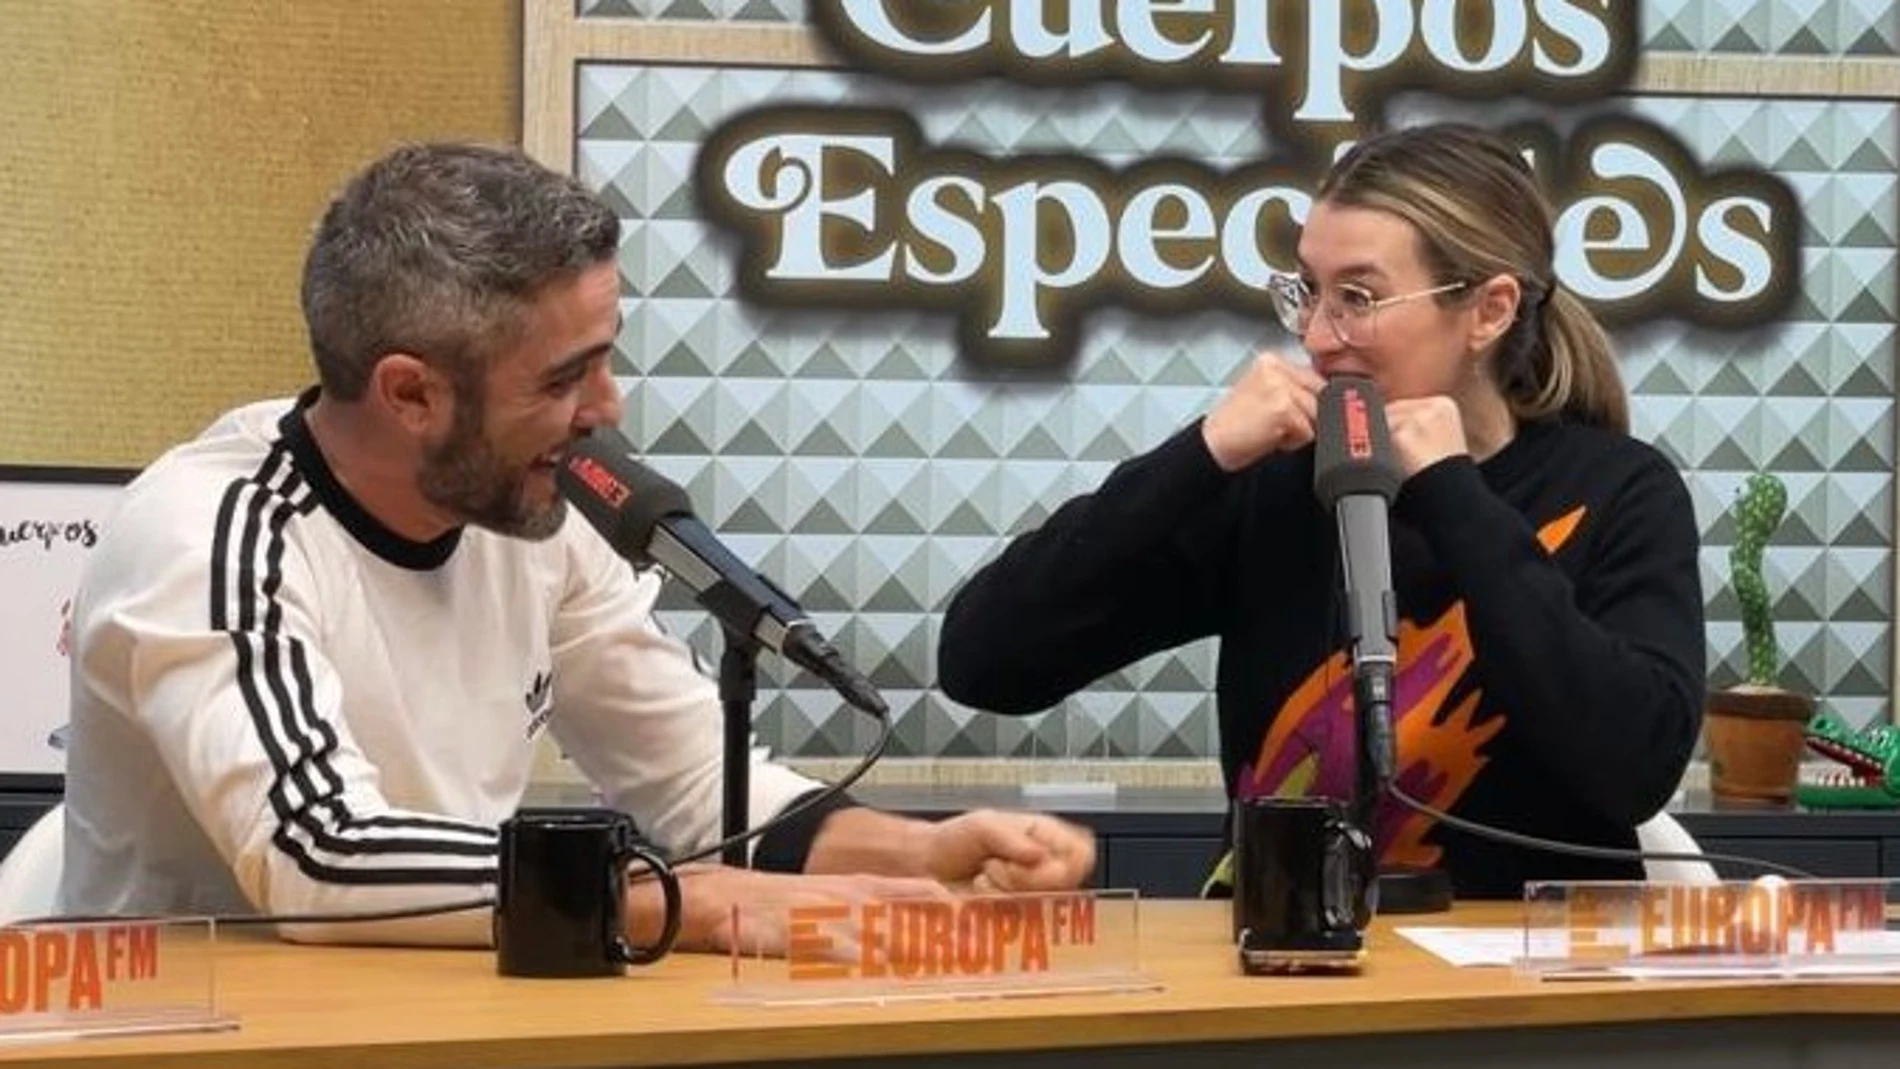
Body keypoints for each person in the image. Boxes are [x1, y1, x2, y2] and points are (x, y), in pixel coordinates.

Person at [59, 142, 1093, 949]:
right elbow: (320, 854)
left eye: (606, 362)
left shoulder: (535, 514)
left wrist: (923, 851)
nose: (608, 407)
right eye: (564, 379)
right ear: (410, 391)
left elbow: (694, 784)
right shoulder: (211, 531)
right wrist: (694, 903)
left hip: (450, 1021)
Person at [937, 123, 1705, 897]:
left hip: (1523, 984)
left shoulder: (1619, 490)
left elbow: (1633, 769)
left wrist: (1452, 494)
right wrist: (1199, 454)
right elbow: (984, 660)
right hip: (1293, 965)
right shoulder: (1276, 484)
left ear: (1488, 310)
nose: (1316, 334)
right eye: (1309, 291)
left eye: (1359, 298)